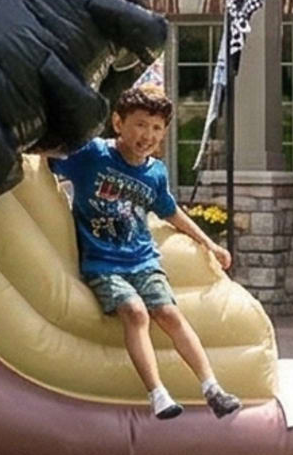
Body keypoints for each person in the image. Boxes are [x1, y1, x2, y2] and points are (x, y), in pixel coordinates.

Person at [53, 85, 240, 420]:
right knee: (136, 312)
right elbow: (50, 158)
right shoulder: (94, 155)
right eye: (140, 124)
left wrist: (209, 244)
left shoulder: (155, 173)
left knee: (169, 314)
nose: (148, 135)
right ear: (118, 123)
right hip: (102, 263)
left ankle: (213, 388)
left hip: (142, 260)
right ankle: (158, 394)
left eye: (156, 128)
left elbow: (170, 211)